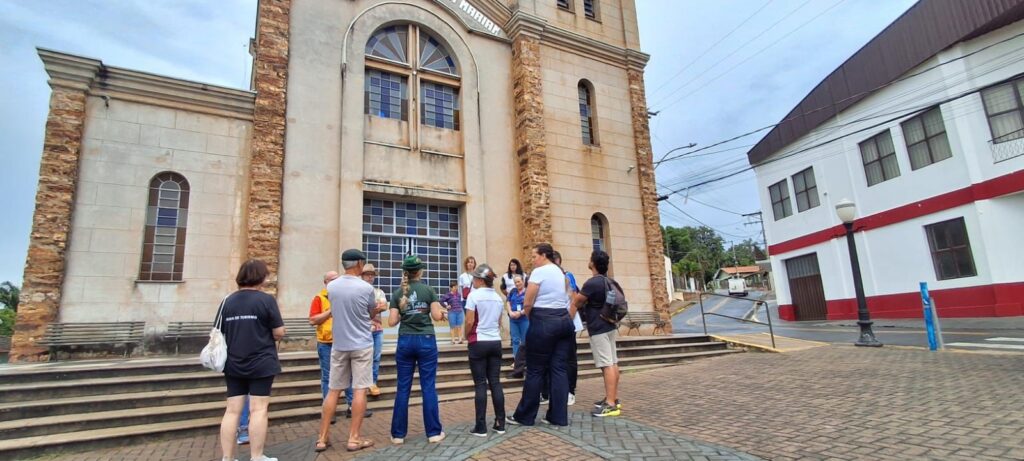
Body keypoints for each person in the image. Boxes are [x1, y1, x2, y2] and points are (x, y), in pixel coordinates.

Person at [315, 249, 382, 453]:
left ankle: (322, 438)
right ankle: (353, 438)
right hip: (361, 343)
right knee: (360, 388)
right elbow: (371, 312)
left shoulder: (332, 287)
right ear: (360, 264)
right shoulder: (365, 288)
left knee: (333, 389)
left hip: (339, 344)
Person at [218, 259, 285, 461]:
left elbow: (219, 331)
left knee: (232, 411)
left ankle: (228, 458)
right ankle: (256, 456)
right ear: (260, 277)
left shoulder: (227, 301)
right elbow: (278, 331)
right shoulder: (265, 301)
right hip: (261, 361)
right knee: (259, 408)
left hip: (233, 361)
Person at [507, 243, 574, 427]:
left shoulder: (539, 272)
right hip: (563, 320)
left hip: (544, 319)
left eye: (535, 256)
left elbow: (528, 302)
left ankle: (525, 416)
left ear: (544, 255)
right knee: (559, 369)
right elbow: (568, 295)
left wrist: (533, 318)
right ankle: (558, 416)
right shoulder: (560, 272)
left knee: (535, 370)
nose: (532, 259)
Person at [389, 255, 447, 444]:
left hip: (405, 340)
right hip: (426, 340)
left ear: (405, 272)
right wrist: (443, 313)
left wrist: (405, 311)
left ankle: (398, 435)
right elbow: (437, 316)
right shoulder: (428, 290)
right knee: (428, 386)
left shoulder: (398, 293)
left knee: (403, 388)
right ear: (420, 271)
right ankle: (433, 433)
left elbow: (391, 321)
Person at [574, 250, 622, 417]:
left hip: (598, 327)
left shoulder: (592, 283)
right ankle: (613, 398)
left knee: (607, 364)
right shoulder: (608, 281)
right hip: (609, 325)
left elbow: (577, 301)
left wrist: (571, 290)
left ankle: (610, 404)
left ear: (593, 263)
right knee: (613, 362)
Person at [463, 263, 507, 437]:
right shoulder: (497, 297)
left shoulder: (474, 296)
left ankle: (481, 426)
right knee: (495, 382)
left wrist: (466, 336)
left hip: (478, 341)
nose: (473, 280)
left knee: (480, 383)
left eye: (475, 277)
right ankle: (500, 423)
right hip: (495, 341)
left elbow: (469, 321)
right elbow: (498, 322)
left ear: (480, 280)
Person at [552, 251, 582, 406]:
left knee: (570, 357)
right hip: (555, 323)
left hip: (568, 323)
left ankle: (571, 390)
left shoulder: (566, 276)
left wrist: (567, 320)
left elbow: (575, 299)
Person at [308, 271, 340, 408]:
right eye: (332, 280)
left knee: (348, 375)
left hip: (343, 342)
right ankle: (329, 409)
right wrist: (330, 311)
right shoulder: (319, 298)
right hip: (326, 343)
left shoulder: (343, 296)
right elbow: (313, 320)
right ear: (326, 282)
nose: (336, 282)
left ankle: (351, 406)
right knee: (328, 377)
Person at [361, 264, 386, 399]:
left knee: (376, 357)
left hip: (377, 328)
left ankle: (373, 382)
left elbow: (384, 306)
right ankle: (362, 384)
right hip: (363, 330)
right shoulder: (358, 291)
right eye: (367, 274)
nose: (370, 277)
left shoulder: (379, 292)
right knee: (363, 357)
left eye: (372, 275)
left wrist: (372, 309)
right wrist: (375, 307)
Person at [505, 275, 528, 358]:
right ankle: (516, 360)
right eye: (515, 282)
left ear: (523, 281)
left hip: (524, 319)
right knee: (515, 340)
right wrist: (510, 312)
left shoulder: (527, 292)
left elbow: (530, 305)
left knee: (525, 340)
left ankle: (525, 360)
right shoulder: (513, 291)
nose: (517, 284)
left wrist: (521, 313)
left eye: (519, 281)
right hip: (513, 320)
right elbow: (508, 301)